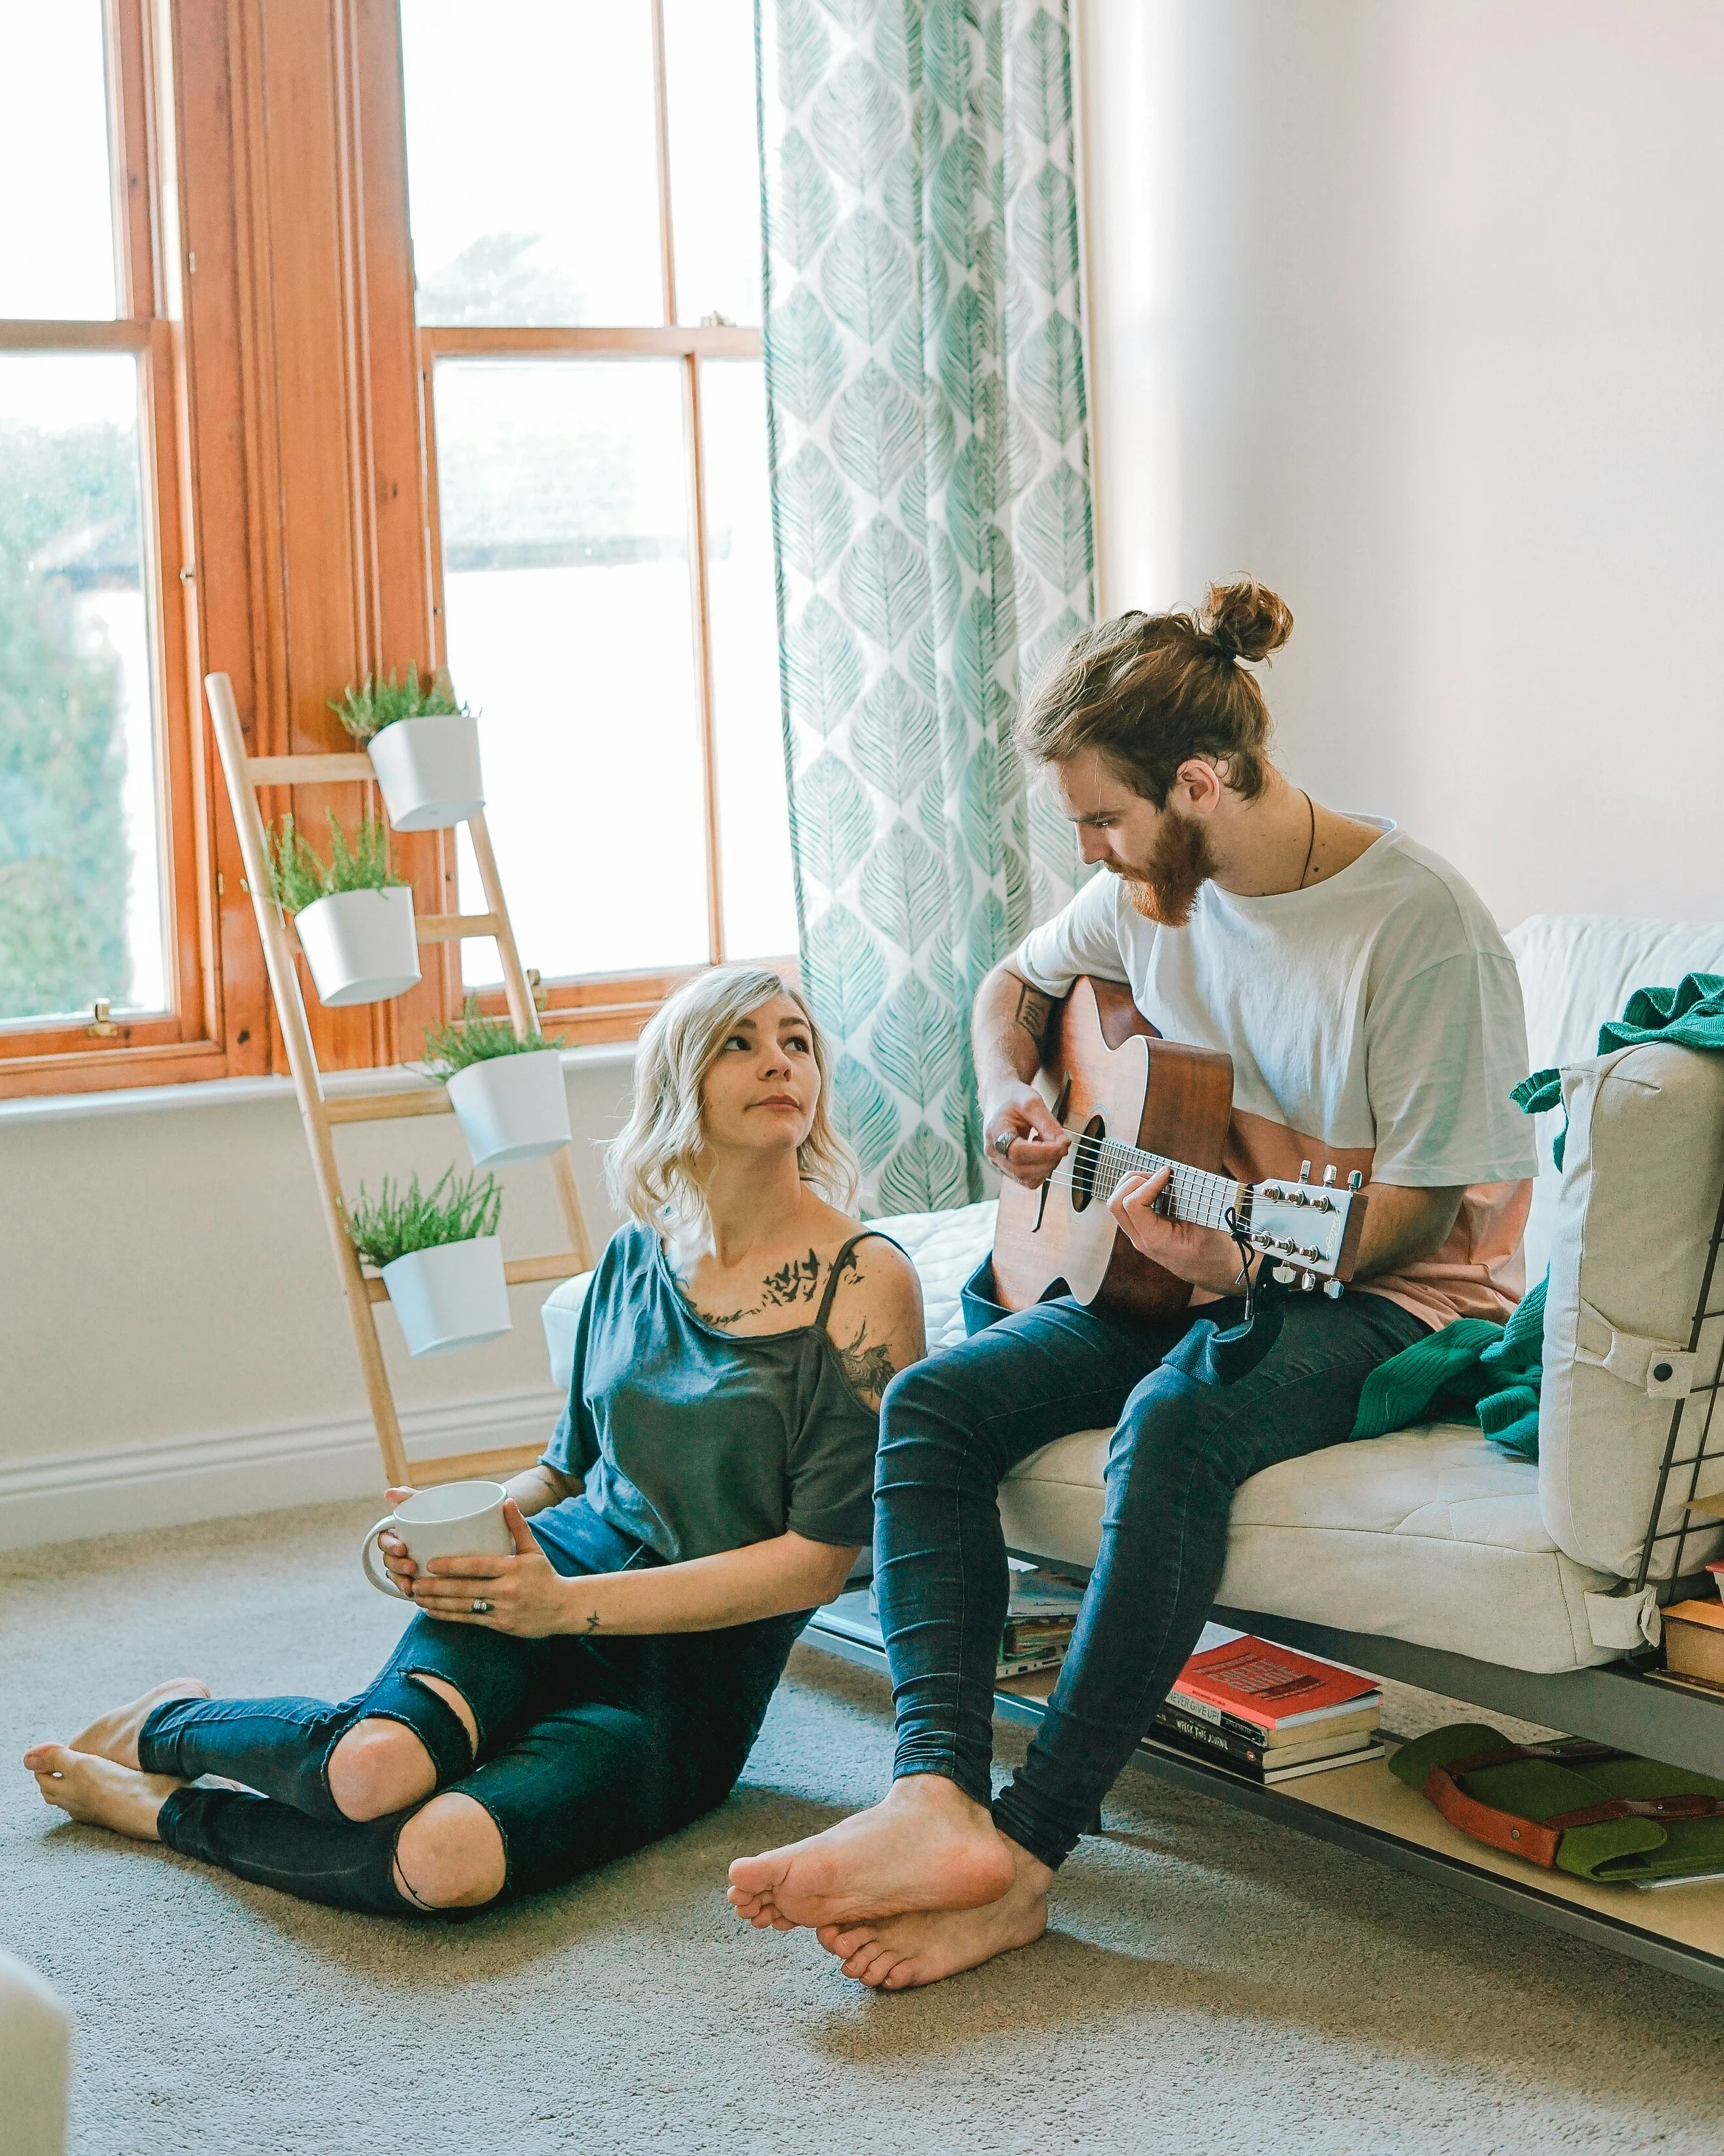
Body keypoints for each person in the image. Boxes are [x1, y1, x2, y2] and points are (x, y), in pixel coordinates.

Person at [729, 577, 1535, 1987]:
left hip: (1387, 1296)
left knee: (1172, 1426)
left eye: (1104, 817)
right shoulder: (1144, 895)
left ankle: (1021, 1855)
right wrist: (1006, 1096)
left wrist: (1238, 1256)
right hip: (1183, 1266)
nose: (1093, 852)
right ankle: (931, 1792)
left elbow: (1418, 1213)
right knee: (929, 1407)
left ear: (1203, 783)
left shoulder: (1419, 929)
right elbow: (1011, 989)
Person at [25, 967, 922, 1920]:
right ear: (680, 1082)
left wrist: (565, 1609)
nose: (778, 1062)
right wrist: (454, 1523)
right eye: (739, 1043)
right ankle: (171, 1722)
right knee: (369, 1774)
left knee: (441, 1862)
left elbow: (816, 1566)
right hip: (545, 1577)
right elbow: (564, 1472)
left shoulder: (863, 1282)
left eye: (796, 1042)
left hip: (688, 1674)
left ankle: (158, 1811)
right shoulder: (633, 1255)